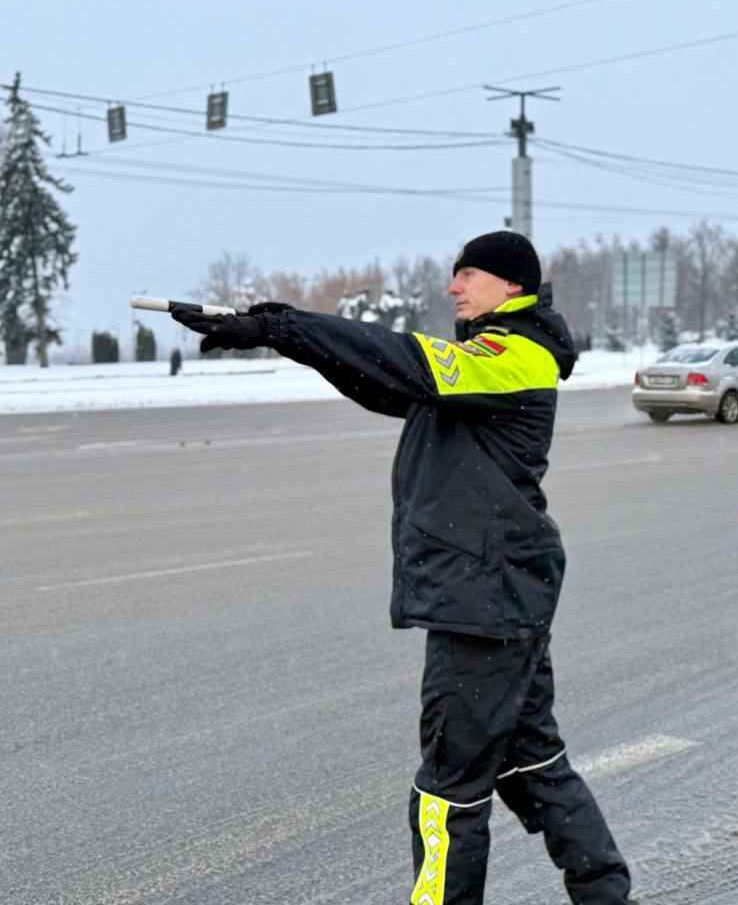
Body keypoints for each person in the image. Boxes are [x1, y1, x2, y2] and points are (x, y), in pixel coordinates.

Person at [171, 230, 634, 905]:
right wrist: (280, 334)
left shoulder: (516, 354)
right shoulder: (486, 360)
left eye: (467, 274)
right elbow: (382, 381)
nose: (453, 286)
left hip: (483, 596)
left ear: (512, 285)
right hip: (501, 591)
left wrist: (284, 325)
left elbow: (407, 362)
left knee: (448, 789)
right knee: (531, 760)